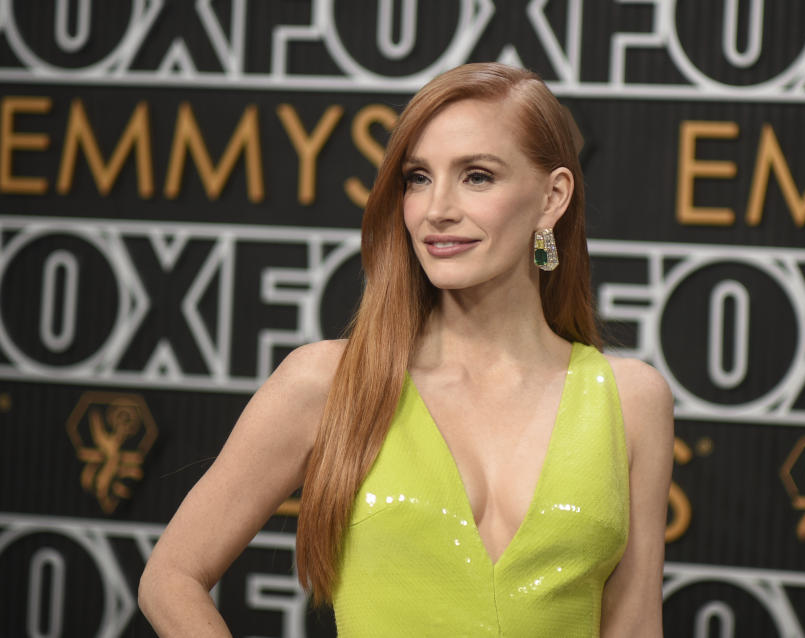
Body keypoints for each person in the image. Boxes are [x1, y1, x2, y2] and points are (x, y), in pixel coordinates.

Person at [138, 62, 674, 637]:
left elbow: (636, 623)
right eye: (418, 177)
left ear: (552, 197)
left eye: (476, 176)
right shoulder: (327, 382)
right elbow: (171, 577)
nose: (436, 208)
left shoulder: (630, 400)